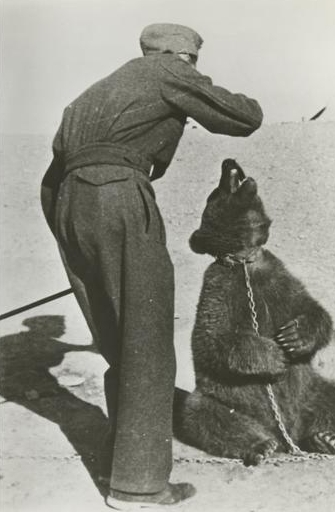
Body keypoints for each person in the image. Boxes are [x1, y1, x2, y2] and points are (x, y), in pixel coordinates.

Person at [40, 23, 263, 509]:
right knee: (148, 335)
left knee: (120, 337)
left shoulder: (91, 95)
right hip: (119, 193)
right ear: (183, 55)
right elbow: (243, 117)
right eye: (196, 61)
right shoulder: (167, 70)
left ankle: (120, 460)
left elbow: (51, 177)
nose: (194, 68)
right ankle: (138, 487)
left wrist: (75, 234)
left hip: (70, 206)